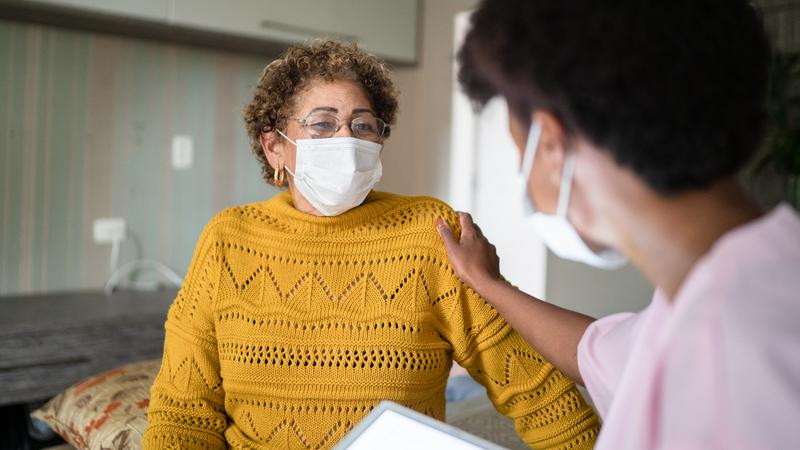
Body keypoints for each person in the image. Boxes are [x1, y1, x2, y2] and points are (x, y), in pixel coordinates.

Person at [142, 40, 599, 449]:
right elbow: (183, 413)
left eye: (362, 126)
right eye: (323, 124)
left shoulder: (428, 231)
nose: (346, 139)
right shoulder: (228, 238)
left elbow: (535, 387)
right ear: (274, 147)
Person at [436, 1, 800, 449]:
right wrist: (488, 283)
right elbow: (600, 351)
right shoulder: (736, 287)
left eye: (519, 153)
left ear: (551, 145)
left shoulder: (725, 357)